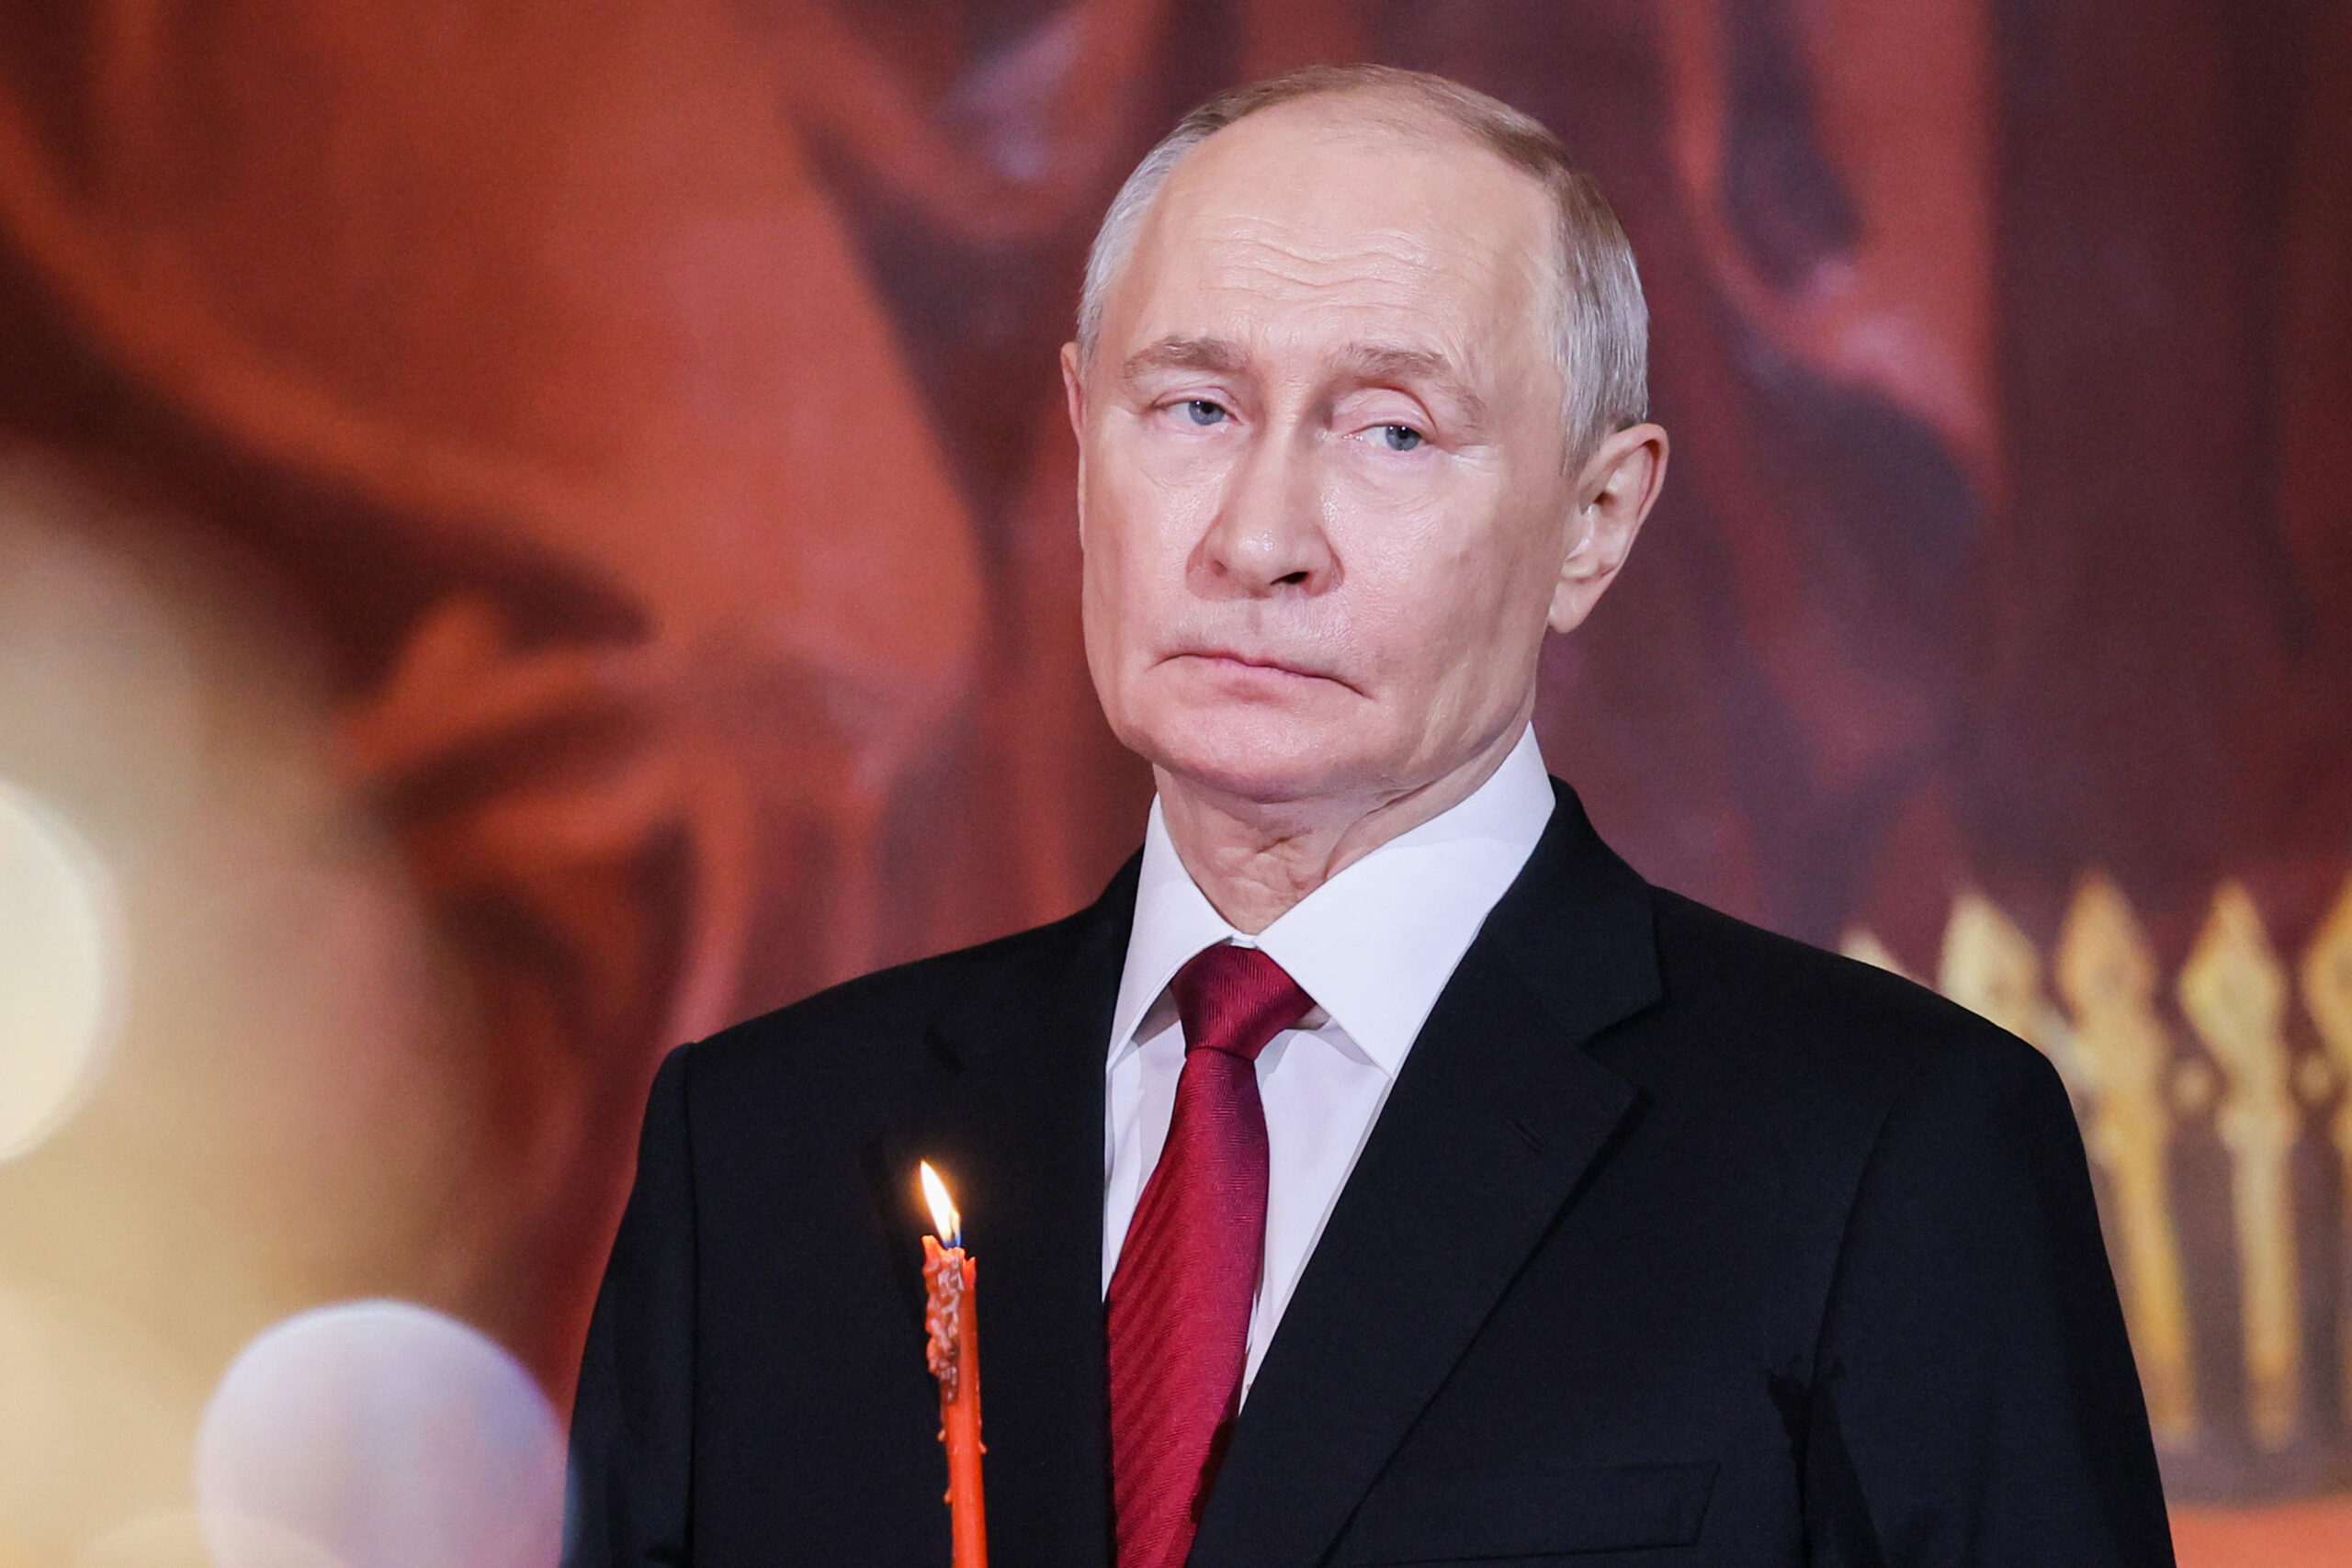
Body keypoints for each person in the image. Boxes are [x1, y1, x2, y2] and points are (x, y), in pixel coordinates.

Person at [564, 64, 2173, 1568]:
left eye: (1391, 431)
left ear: (1596, 522)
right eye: (1193, 410)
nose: (1260, 538)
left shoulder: (1887, 1154)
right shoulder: (757, 1160)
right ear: (1077, 452)